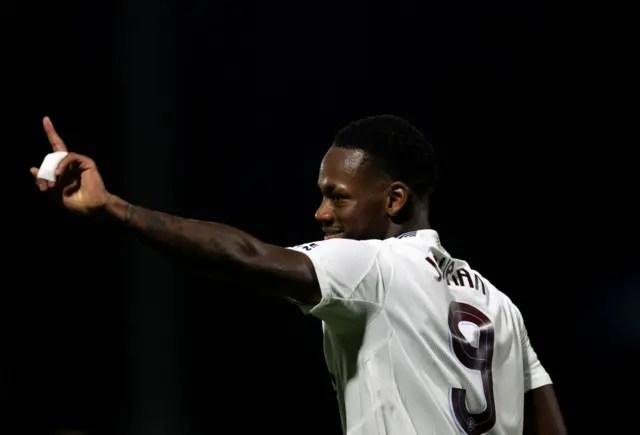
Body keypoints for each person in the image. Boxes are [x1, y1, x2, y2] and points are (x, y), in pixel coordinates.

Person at [31, 115, 566, 435]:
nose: (321, 213)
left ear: (394, 199)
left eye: (337, 196)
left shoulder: (374, 265)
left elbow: (245, 256)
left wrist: (114, 208)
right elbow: (549, 428)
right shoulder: (500, 303)